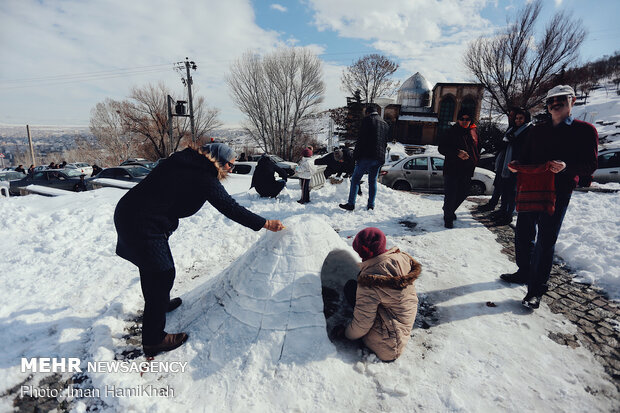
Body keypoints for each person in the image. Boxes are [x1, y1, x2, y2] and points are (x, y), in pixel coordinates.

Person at [114, 143, 285, 356]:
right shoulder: (203, 175)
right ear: (219, 161)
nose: (232, 169)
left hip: (136, 214)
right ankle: (154, 340)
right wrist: (266, 223)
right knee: (161, 273)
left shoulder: (188, 162)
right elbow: (230, 207)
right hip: (142, 223)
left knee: (154, 268)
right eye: (231, 164)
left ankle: (158, 304)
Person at [500, 85, 598, 309]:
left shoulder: (585, 130)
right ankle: (524, 271)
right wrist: (516, 165)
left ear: (572, 101)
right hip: (532, 188)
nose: (555, 103)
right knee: (523, 234)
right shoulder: (537, 129)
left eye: (561, 99)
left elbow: (591, 165)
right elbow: (524, 157)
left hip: (559, 191)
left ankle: (535, 290)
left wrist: (566, 167)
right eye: (551, 100)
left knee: (546, 240)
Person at [332, 227, 421, 361]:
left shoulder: (370, 281)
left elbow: (362, 324)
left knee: (353, 291)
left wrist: (345, 334)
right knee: (354, 286)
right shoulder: (400, 258)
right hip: (401, 321)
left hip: (389, 345)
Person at [339, 103, 388, 211]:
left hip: (367, 156)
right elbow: (385, 143)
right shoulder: (385, 123)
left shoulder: (367, 120)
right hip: (379, 157)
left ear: (367, 112)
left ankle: (351, 204)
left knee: (355, 179)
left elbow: (361, 140)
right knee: (372, 181)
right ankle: (371, 205)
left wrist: (355, 157)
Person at [438, 108, 480, 228]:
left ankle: (449, 209)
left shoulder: (473, 132)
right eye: (462, 119)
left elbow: (477, 148)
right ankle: (448, 217)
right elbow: (441, 148)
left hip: (467, 169)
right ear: (458, 119)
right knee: (451, 194)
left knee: (463, 193)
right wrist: (457, 152)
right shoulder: (450, 132)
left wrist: (476, 159)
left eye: (467, 119)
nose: (465, 121)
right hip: (452, 169)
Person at [492, 108, 533, 225]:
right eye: (516, 118)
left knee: (512, 193)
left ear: (526, 119)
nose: (518, 120)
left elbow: (525, 148)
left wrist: (512, 141)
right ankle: (502, 212)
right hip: (506, 164)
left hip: (518, 166)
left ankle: (508, 215)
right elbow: (503, 144)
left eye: (521, 118)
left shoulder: (529, 130)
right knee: (504, 190)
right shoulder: (512, 129)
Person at [477, 108, 516, 212]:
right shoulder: (511, 128)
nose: (510, 118)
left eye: (512, 116)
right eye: (509, 115)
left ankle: (504, 210)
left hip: (510, 165)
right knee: (498, 185)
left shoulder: (517, 130)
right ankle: (493, 204)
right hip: (502, 162)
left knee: (506, 190)